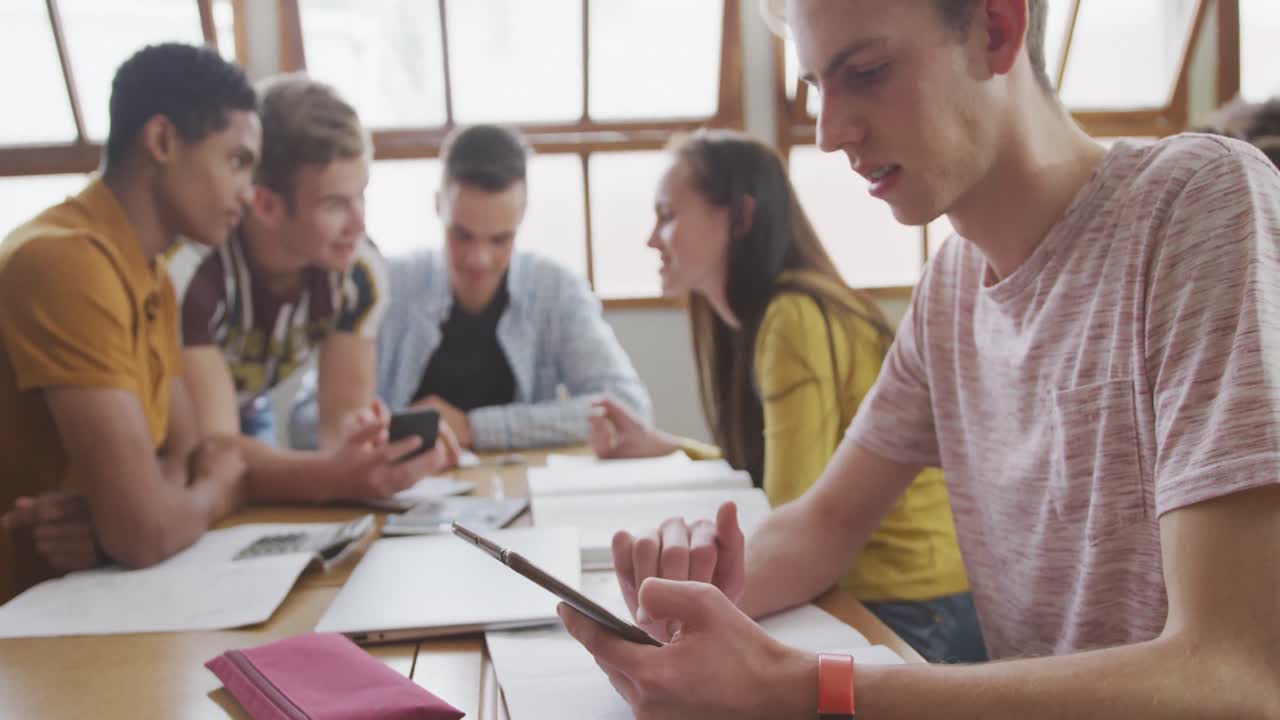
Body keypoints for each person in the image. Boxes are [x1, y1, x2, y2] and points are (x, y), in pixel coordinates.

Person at [559, 1, 1280, 717]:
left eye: (867, 72)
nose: (830, 133)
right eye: (816, 87)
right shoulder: (952, 288)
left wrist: (807, 687)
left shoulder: (1198, 202)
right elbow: (822, 526)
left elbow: (1235, 673)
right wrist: (681, 609)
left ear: (998, 28)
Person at [587, 129, 982, 663]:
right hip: (884, 594)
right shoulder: (766, 317)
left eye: (668, 215)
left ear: (741, 218)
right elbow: (777, 468)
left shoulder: (793, 317)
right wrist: (667, 445)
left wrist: (667, 608)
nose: (652, 239)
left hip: (911, 607)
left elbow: (788, 503)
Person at [0, 43, 258, 603]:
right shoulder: (64, 261)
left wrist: (116, 523)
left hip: (95, 596)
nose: (249, 191)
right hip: (22, 621)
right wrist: (217, 492)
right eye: (236, 160)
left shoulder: (154, 277)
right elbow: (150, 526)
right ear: (162, 140)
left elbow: (184, 459)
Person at [176, 73, 457, 504]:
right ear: (265, 203)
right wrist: (332, 475)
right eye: (335, 204)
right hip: (166, 435)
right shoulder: (196, 271)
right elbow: (211, 453)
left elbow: (341, 421)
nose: (359, 224)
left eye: (361, 196)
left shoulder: (359, 271)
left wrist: (373, 451)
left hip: (248, 412)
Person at [290, 124, 652, 451]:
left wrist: (475, 429)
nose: (479, 260)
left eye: (500, 239)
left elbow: (629, 407)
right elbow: (305, 420)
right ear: (438, 206)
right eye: (462, 236)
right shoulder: (384, 285)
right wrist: (400, 430)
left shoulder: (555, 289)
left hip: (522, 495)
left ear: (522, 214)